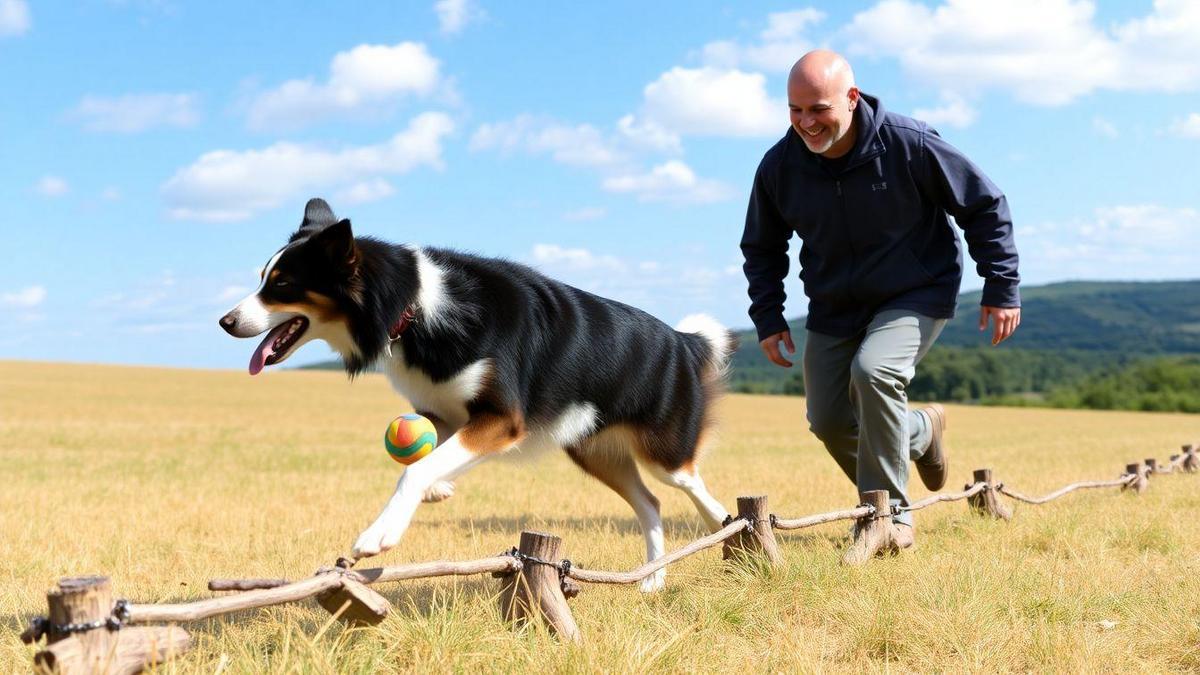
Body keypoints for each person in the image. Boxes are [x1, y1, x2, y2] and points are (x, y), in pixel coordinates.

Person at [740, 49, 1021, 555]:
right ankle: (920, 431)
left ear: (851, 98)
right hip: (834, 304)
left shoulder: (908, 144)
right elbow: (761, 248)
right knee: (827, 419)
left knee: (874, 372)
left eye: (818, 108)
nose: (806, 122)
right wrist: (768, 315)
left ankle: (889, 517)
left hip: (916, 290)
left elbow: (984, 204)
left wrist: (1001, 285)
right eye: (795, 110)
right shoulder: (780, 166)